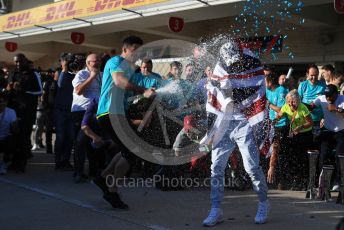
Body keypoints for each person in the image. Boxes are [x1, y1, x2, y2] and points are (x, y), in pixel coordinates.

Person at [201, 41, 270, 226]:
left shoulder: (252, 65)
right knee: (216, 168)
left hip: (243, 123)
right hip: (223, 124)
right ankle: (216, 209)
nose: (232, 65)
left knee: (252, 168)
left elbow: (258, 93)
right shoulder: (219, 68)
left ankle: (263, 202)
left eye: (234, 61)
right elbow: (214, 96)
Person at [94, 35, 155, 209]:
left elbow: (130, 92)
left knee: (128, 150)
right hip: (109, 111)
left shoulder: (131, 68)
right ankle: (111, 191)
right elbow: (118, 81)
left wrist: (148, 92)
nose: (138, 53)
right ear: (125, 49)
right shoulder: (116, 61)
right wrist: (143, 90)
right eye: (135, 49)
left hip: (119, 113)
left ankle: (103, 178)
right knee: (131, 152)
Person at [6, 53, 42, 172]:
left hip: (27, 111)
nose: (18, 64)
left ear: (25, 61)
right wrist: (9, 88)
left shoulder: (33, 74)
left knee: (23, 137)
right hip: (13, 110)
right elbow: (7, 91)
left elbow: (39, 91)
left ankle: (21, 164)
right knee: (13, 137)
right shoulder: (12, 73)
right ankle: (13, 162)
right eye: (16, 62)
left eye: (20, 61)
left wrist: (24, 90)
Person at [276, 90, 313, 190]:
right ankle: (292, 180)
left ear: (298, 101)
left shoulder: (302, 108)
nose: (291, 104)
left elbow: (310, 123)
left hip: (305, 133)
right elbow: (280, 114)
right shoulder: (286, 106)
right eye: (289, 102)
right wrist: (276, 119)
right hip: (294, 132)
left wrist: (300, 127)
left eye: (293, 102)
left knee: (302, 157)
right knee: (292, 155)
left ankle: (304, 182)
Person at [313, 84, 344, 191]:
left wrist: (336, 109)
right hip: (327, 130)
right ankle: (323, 182)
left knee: (339, 156)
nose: (328, 98)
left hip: (341, 131)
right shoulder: (322, 99)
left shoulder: (342, 99)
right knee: (323, 155)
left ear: (336, 94)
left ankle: (338, 180)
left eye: (331, 96)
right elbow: (311, 106)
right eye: (327, 96)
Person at [265, 73, 289, 189]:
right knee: (271, 152)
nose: (264, 84)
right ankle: (271, 179)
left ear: (270, 82)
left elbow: (280, 109)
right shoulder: (267, 90)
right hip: (271, 125)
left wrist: (269, 104)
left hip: (282, 125)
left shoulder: (282, 90)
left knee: (279, 152)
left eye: (265, 81)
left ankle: (282, 180)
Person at [0, 92, 18, 174]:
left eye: (3, 101)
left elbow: (15, 129)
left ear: (6, 102)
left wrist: (15, 125)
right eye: (0, 101)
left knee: (13, 140)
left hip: (5, 138)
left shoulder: (11, 112)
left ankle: (4, 163)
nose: (2, 103)